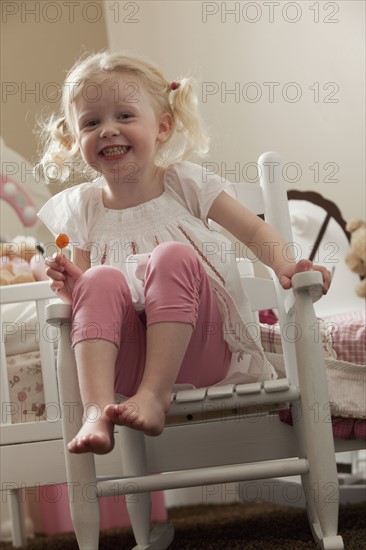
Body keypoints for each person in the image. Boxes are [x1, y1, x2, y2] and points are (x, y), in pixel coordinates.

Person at [37, 51, 331, 455]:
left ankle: (155, 396)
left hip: (200, 347)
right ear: (74, 139)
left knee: (171, 256)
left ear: (162, 127)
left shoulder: (184, 183)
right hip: (125, 365)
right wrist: (72, 285)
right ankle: (96, 411)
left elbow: (253, 229)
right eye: (92, 122)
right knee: (97, 279)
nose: (107, 130)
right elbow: (86, 304)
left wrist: (285, 263)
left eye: (124, 116)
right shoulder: (82, 209)